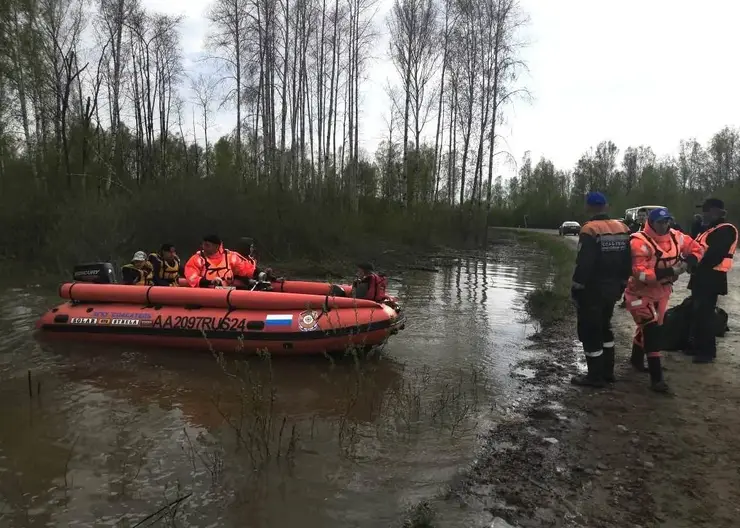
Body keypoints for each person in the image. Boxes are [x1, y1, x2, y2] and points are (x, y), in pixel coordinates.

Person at [624, 207, 702, 392]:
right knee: (652, 331)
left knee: (651, 326)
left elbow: (697, 248)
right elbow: (641, 274)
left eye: (667, 221)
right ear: (651, 222)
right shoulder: (639, 242)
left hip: (662, 292)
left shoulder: (676, 236)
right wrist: (670, 271)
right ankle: (657, 379)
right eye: (660, 222)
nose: (664, 225)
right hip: (639, 294)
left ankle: (636, 360)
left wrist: (689, 261)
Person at [570, 191, 632, 388]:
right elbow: (628, 261)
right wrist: (622, 284)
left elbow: (584, 264)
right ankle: (608, 372)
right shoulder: (622, 228)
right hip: (613, 289)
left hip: (592, 289)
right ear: (606, 206)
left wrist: (576, 288)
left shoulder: (589, 230)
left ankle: (594, 377)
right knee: (605, 327)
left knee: (590, 330)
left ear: (588, 208)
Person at [686, 198, 738, 363]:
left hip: (712, 277)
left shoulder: (726, 230)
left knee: (705, 314)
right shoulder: (710, 229)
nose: (704, 213)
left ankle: (707, 351)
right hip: (701, 276)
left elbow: (714, 255)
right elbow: (695, 245)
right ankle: (695, 345)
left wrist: (696, 263)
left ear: (715, 211)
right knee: (697, 312)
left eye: (706, 210)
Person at [184, 235, 256, 288]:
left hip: (227, 292)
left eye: (207, 245)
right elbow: (192, 277)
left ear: (216, 246)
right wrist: (210, 281)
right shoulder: (197, 259)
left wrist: (259, 273)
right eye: (203, 245)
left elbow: (245, 269)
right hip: (205, 293)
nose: (204, 248)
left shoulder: (230, 257)